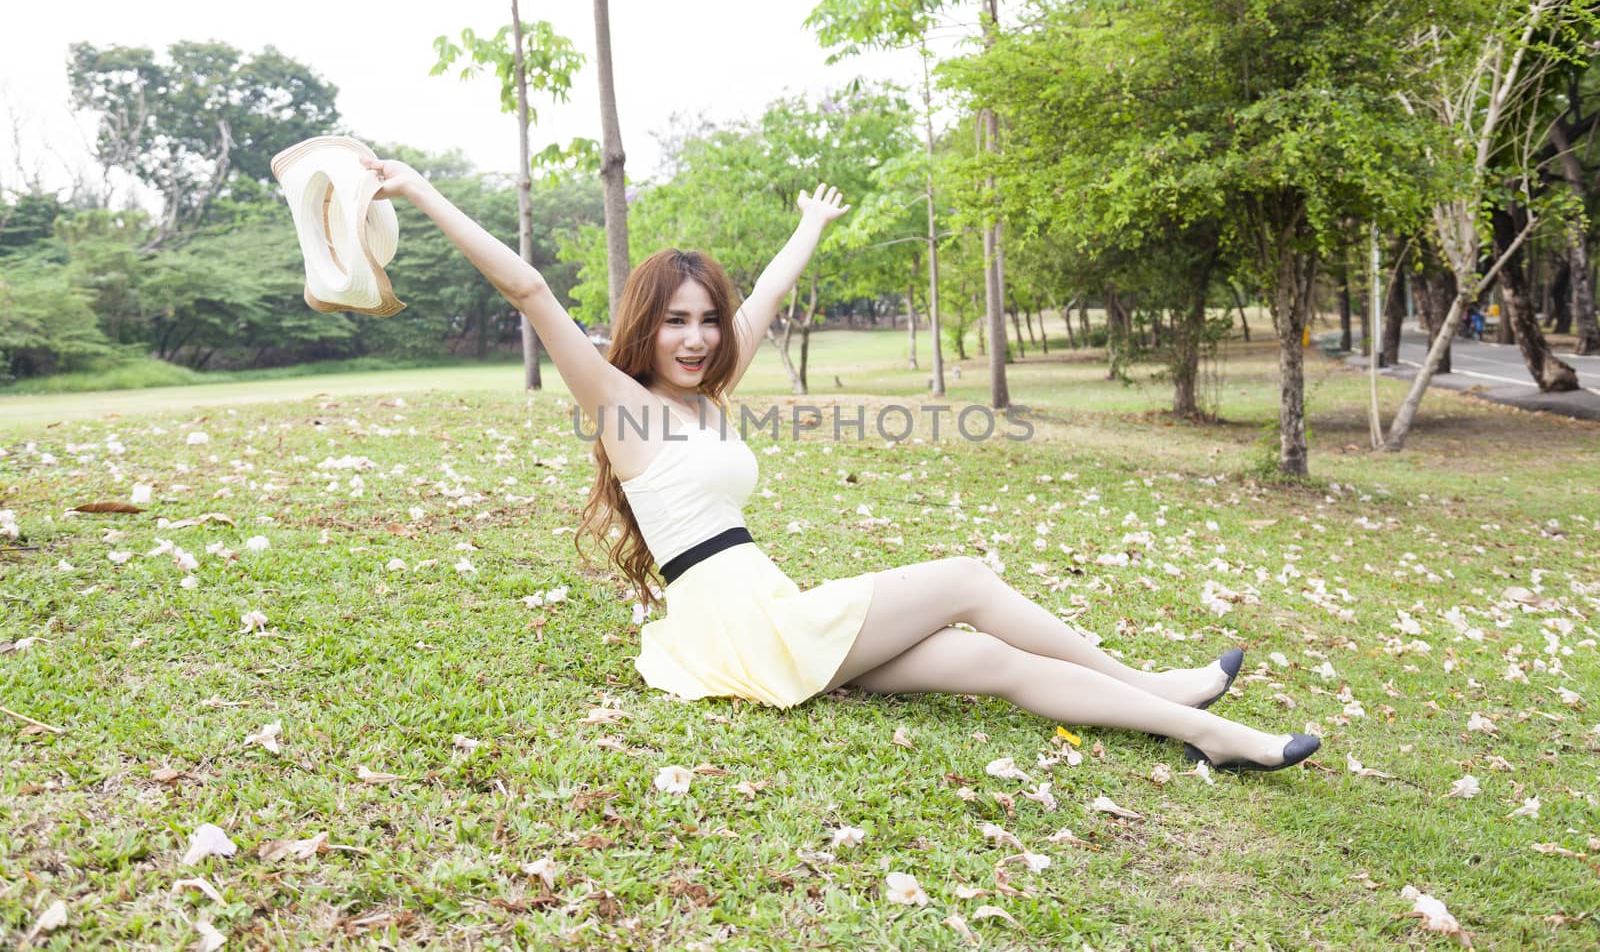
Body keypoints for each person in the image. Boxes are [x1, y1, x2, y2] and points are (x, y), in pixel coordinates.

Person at [363, 156, 1320, 774]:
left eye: (705, 319)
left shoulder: (701, 395)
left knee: (986, 656)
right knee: (968, 579)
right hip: (743, 624)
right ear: (639, 325)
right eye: (674, 319)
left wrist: (811, 227)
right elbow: (528, 286)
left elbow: (765, 299)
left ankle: (1198, 728)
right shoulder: (619, 403)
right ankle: (1164, 689)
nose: (695, 337)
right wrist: (418, 188)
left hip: (768, 611)